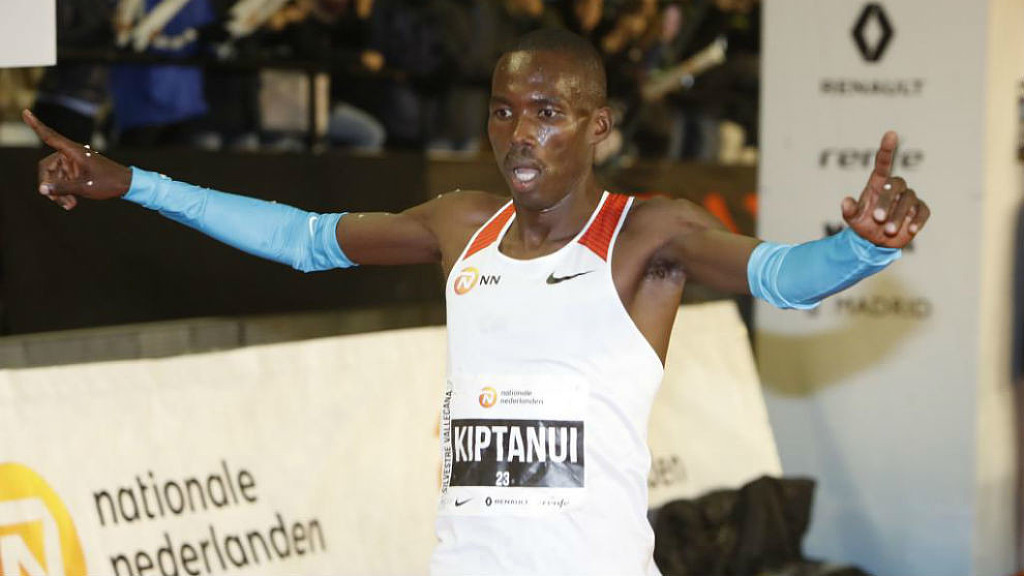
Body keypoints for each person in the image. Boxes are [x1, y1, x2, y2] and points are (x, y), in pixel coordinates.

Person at [23, 28, 929, 576]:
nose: (519, 133)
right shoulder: (462, 225)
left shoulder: (647, 235)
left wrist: (861, 247)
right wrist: (134, 182)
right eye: (503, 110)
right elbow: (301, 239)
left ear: (598, 127)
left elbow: (780, 276)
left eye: (547, 113)